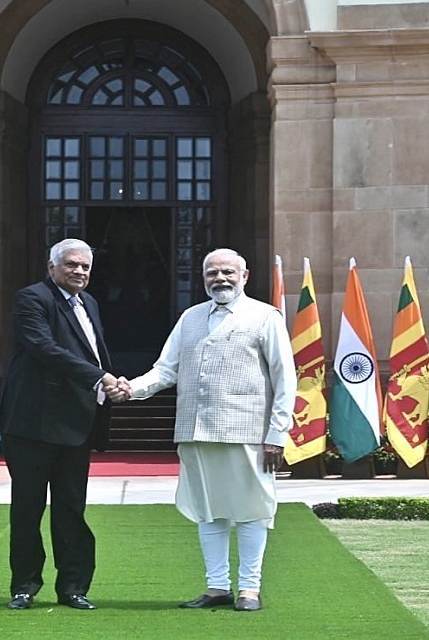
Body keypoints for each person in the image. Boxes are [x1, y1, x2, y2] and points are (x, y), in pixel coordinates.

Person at [119, 248, 296, 612]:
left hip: (247, 431)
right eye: (212, 273)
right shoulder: (191, 317)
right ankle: (217, 586)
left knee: (252, 509)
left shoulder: (265, 317)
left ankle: (250, 588)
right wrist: (131, 389)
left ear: (244, 276)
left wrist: (277, 434)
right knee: (208, 510)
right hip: (195, 430)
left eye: (228, 272)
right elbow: (165, 369)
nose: (220, 279)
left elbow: (285, 378)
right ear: (202, 278)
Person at [0, 238, 128, 611]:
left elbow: (93, 352)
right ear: (52, 266)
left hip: (76, 424)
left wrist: (109, 381)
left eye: (85, 266)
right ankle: (24, 586)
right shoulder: (33, 298)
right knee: (27, 508)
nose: (79, 272)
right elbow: (45, 348)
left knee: (71, 508)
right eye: (71, 264)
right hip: (32, 424)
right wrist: (100, 377)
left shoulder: (90, 304)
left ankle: (72, 587)